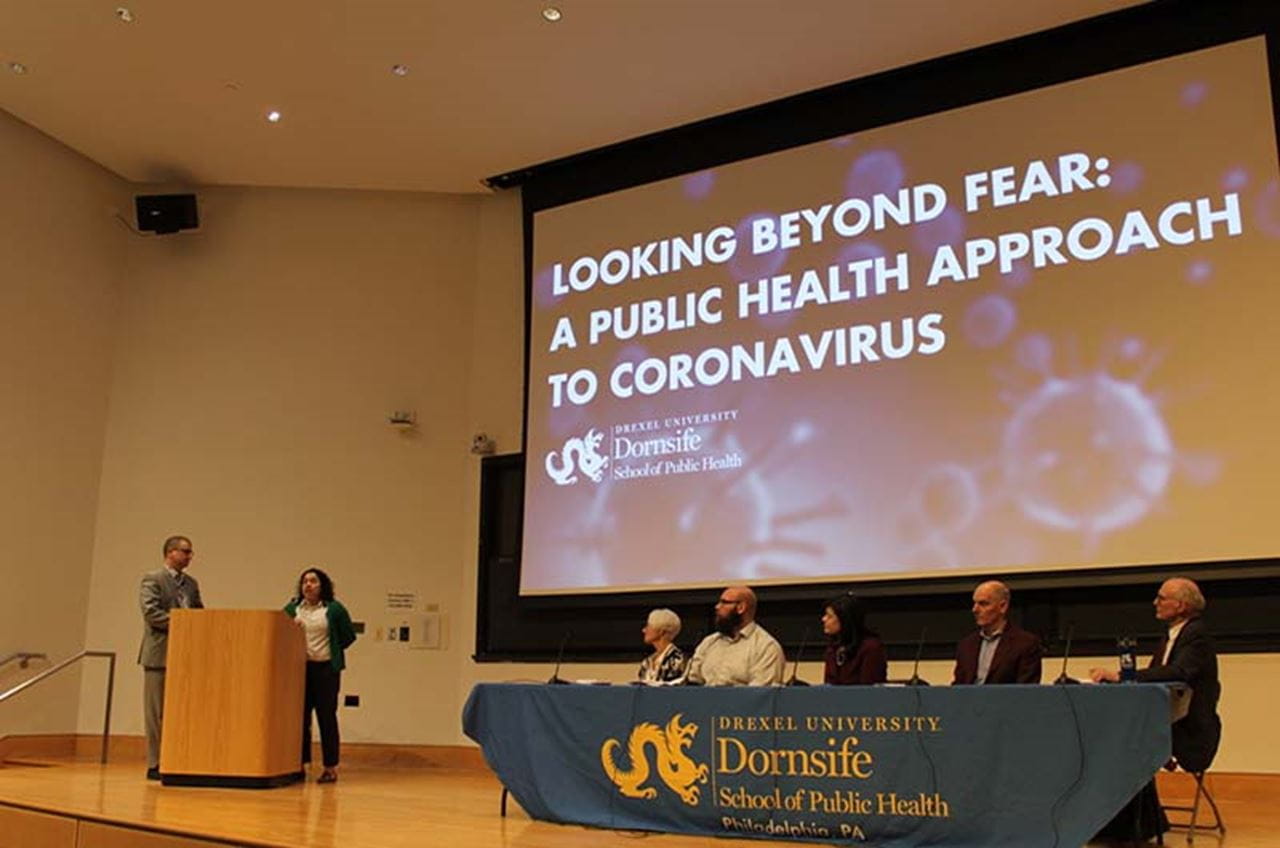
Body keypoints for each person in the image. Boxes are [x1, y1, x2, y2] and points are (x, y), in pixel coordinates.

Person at [1088, 576, 1221, 842]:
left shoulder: (1196, 635)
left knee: (1124, 745)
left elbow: (1180, 672)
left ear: (1181, 605)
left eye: (1161, 598)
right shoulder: (1172, 636)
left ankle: (1136, 825)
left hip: (1188, 729)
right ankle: (1135, 822)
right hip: (1165, 722)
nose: (1155, 603)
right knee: (1115, 740)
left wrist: (1123, 677)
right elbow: (1155, 675)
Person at [138, 535, 203, 781]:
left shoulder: (191, 583)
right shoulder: (153, 579)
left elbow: (199, 612)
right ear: (170, 552)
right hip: (159, 654)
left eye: (190, 552)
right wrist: (184, 624)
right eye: (185, 551)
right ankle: (155, 762)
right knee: (155, 712)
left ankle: (179, 758)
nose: (189, 556)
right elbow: (151, 613)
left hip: (185, 656)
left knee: (181, 710)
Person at [284, 567, 357, 783]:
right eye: (305, 581)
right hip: (299, 670)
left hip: (326, 669)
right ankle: (299, 765)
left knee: (327, 718)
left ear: (322, 585)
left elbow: (348, 636)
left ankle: (330, 767)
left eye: (313, 581)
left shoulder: (334, 609)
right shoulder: (292, 609)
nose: (308, 585)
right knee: (300, 719)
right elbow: (280, 632)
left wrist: (329, 650)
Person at [685, 585, 785, 686]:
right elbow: (692, 681)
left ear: (741, 608)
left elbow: (759, 694)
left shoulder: (766, 647)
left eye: (724, 602)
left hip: (741, 701)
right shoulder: (709, 642)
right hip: (702, 700)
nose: (717, 607)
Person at [952, 580, 1042, 685]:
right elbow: (959, 686)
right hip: (970, 700)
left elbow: (1026, 689)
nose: (975, 609)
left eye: (983, 604)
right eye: (974, 603)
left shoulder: (1025, 644)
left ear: (1002, 606)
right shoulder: (966, 645)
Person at [821, 593, 887, 685]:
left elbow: (870, 690)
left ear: (845, 620)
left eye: (830, 616)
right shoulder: (833, 648)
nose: (823, 619)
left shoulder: (870, 648)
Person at [637, 608, 687, 683]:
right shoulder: (646, 662)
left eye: (648, 626)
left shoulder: (677, 660)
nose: (644, 630)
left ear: (661, 631)